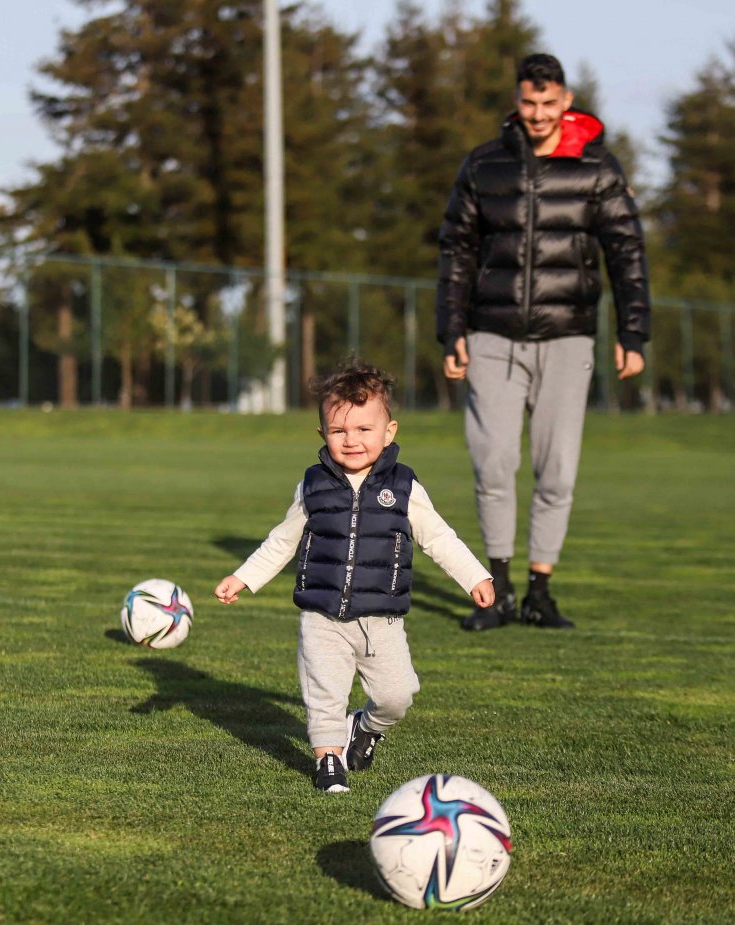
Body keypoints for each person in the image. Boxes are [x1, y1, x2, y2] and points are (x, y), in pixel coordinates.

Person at [436, 53, 650, 631]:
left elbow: (626, 251)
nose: (537, 114)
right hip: (491, 335)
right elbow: (456, 250)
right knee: (495, 464)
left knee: (556, 470)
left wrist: (634, 331)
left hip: (568, 337)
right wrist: (450, 329)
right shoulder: (484, 165)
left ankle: (540, 592)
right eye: (528, 103)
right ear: (517, 100)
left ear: (565, 100)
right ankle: (498, 592)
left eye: (548, 104)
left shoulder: (597, 167)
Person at [214, 359, 494, 794]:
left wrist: (476, 577)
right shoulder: (313, 485)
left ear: (389, 431)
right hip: (322, 616)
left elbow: (438, 537)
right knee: (325, 695)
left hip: (381, 619)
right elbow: (282, 541)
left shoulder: (403, 487)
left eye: (365, 430)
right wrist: (244, 577)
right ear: (322, 433)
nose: (352, 441)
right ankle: (329, 761)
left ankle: (365, 727)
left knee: (396, 697)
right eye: (340, 431)